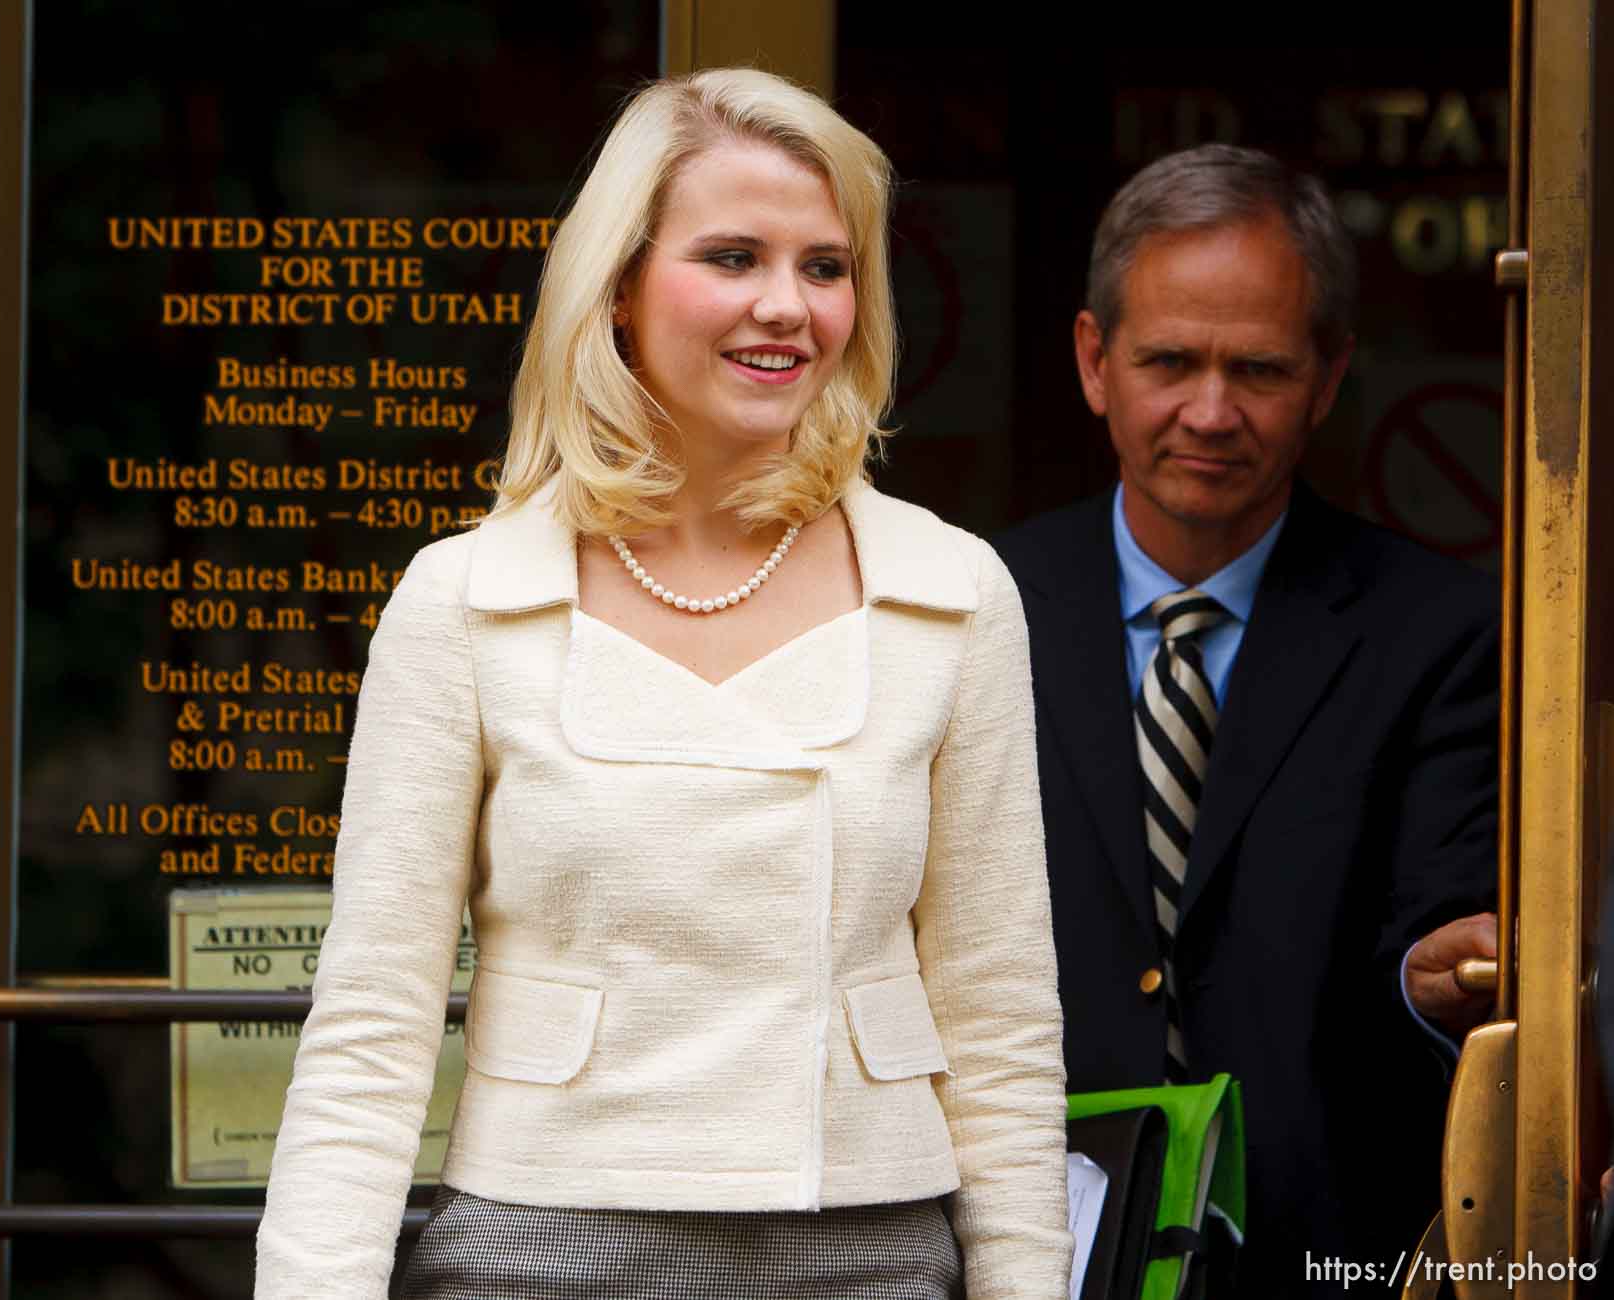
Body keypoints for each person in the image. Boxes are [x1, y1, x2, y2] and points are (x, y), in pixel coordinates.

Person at [256, 68, 1070, 1300]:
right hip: (544, 1247)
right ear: (620, 289)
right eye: (733, 257)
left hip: (868, 1252)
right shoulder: (465, 600)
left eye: (825, 266)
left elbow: (1000, 1027)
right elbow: (372, 1025)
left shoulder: (951, 593)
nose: (786, 307)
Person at [993, 143, 1500, 1296]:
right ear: (1093, 360)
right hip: (1029, 1242)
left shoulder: (1446, 633)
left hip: (1329, 1249)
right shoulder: (979, 605)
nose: (1210, 412)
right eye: (1169, 361)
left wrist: (1437, 973)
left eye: (1259, 370)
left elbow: (1431, 936)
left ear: (1327, 380)